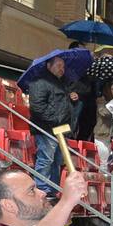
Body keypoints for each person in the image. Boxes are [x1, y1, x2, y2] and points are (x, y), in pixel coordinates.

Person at [26, 57, 76, 196]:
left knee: (57, 161)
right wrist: (56, 120)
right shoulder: (40, 82)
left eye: (63, 66)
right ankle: (42, 188)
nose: (62, 69)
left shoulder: (62, 85)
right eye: (59, 65)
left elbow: (63, 107)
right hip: (46, 128)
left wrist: (72, 99)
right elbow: (37, 107)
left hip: (60, 129)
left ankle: (52, 190)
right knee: (46, 158)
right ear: (49, 66)